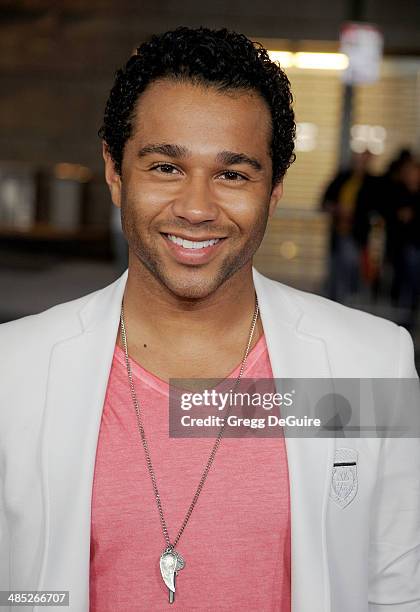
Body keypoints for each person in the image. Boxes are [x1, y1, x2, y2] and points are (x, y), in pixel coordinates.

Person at [0, 27, 419, 612]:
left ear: (273, 191)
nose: (196, 209)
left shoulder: (372, 362)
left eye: (233, 174)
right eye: (166, 167)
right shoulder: (14, 369)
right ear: (115, 174)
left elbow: (395, 586)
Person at [321, 151, 379, 302]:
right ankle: (338, 299)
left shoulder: (372, 182)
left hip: (357, 232)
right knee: (338, 267)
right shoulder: (343, 177)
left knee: (351, 265)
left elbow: (374, 207)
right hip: (339, 230)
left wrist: (355, 213)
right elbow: (325, 200)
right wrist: (337, 209)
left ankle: (345, 299)